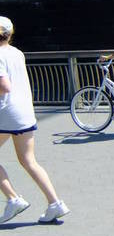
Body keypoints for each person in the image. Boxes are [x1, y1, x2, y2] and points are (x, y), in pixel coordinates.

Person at [0, 16, 70, 224]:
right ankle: (55, 203)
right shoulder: (17, 53)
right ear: (10, 34)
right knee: (29, 161)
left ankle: (13, 198)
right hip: (24, 112)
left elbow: (4, 87)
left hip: (6, 112)